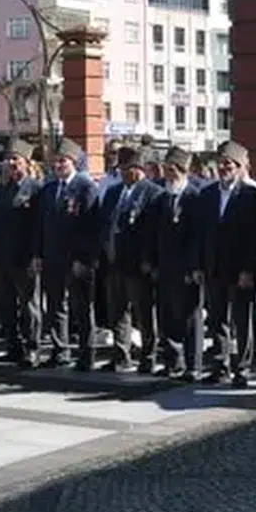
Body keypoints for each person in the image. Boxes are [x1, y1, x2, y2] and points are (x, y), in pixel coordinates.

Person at [198, 141, 256, 387]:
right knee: (217, 320)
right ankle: (220, 366)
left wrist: (249, 269)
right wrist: (200, 265)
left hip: (241, 270)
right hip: (214, 267)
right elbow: (201, 234)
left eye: (229, 164)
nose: (224, 167)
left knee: (242, 320)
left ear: (239, 167)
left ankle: (243, 368)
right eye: (221, 163)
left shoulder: (251, 195)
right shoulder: (207, 194)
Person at [33, 138, 101, 370]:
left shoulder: (86, 188)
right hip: (52, 257)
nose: (58, 165)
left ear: (73, 162)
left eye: (63, 161)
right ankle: (59, 350)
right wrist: (39, 254)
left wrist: (85, 259)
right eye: (55, 162)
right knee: (55, 306)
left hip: (76, 259)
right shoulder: (49, 189)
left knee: (81, 307)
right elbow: (41, 225)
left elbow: (92, 228)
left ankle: (86, 352)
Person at [98, 146, 161, 373]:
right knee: (117, 312)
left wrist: (149, 259)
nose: (123, 173)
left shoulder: (152, 192)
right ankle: (120, 356)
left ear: (139, 169)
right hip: (114, 262)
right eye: (121, 168)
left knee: (143, 313)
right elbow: (104, 223)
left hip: (138, 264)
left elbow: (153, 231)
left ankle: (148, 356)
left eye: (127, 168)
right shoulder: (114, 192)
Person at [150, 147, 204, 380]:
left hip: (187, 269)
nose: (168, 175)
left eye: (172, 170)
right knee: (167, 315)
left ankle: (194, 365)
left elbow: (198, 236)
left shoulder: (194, 197)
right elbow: (153, 235)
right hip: (165, 267)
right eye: (166, 170)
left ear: (182, 171)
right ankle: (173, 362)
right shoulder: (162, 198)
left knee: (190, 318)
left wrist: (193, 267)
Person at [0, 140, 43, 367]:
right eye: (8, 159)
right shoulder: (3, 189)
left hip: (25, 257)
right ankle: (13, 346)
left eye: (16, 159)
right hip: (4, 257)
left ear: (26, 163)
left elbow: (39, 226)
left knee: (29, 305)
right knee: (6, 304)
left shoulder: (35, 189)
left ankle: (33, 348)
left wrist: (35, 255)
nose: (11, 164)